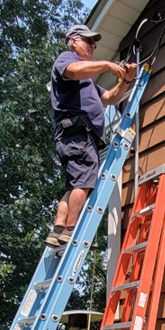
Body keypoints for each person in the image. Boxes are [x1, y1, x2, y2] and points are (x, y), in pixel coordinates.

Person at [46, 23, 137, 247]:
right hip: (78, 134)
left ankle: (58, 230)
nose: (92, 46)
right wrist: (107, 65)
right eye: (88, 41)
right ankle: (71, 230)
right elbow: (74, 70)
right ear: (73, 41)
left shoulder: (86, 82)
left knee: (75, 185)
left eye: (94, 44)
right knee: (84, 182)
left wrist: (126, 80)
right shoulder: (66, 59)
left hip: (74, 136)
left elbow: (110, 98)